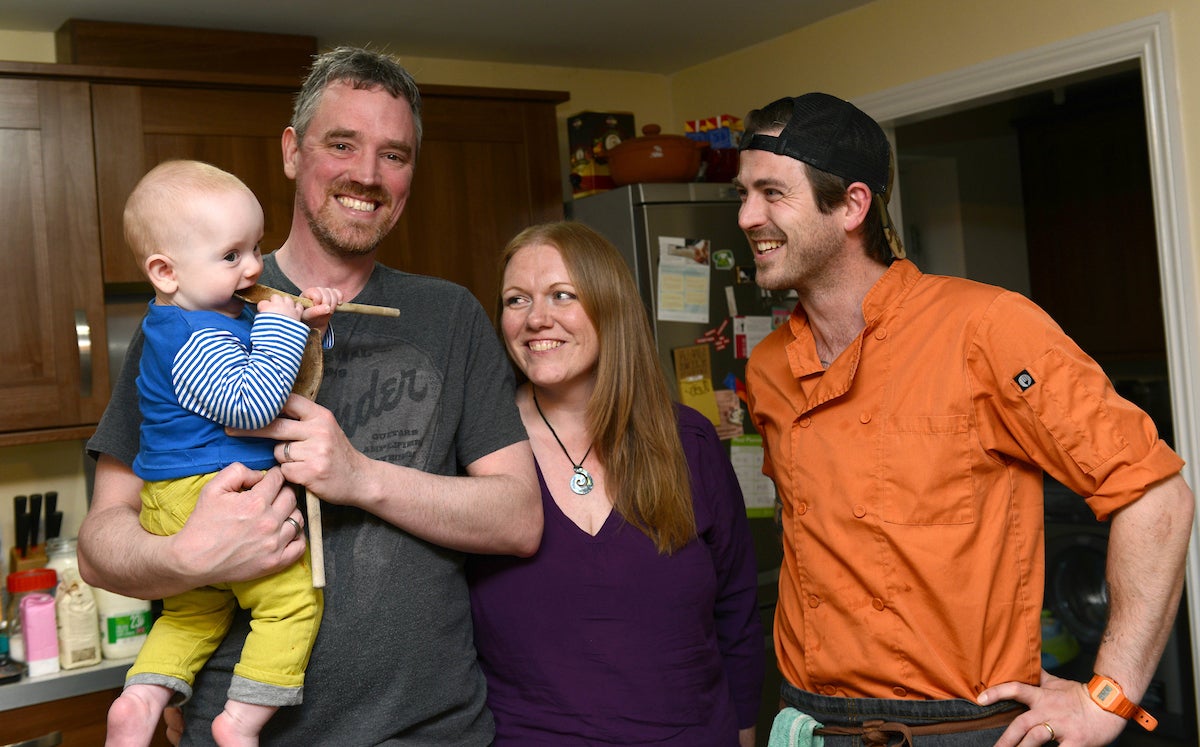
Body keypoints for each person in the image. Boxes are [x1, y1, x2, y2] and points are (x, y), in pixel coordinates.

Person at [78, 47, 541, 746]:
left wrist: (362, 477)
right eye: (343, 144)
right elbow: (100, 542)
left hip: (435, 731)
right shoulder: (190, 314)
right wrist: (184, 557)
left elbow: (518, 518)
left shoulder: (452, 316)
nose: (366, 174)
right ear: (293, 151)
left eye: (395, 154)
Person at [734, 92, 1193, 746]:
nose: (748, 215)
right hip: (809, 723)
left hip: (963, 729)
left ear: (851, 206)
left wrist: (1108, 696)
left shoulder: (987, 328)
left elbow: (1156, 496)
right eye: (743, 193)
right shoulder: (771, 367)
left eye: (772, 192)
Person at [468, 221, 764, 746]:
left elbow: (737, 614)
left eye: (563, 295)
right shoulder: (475, 451)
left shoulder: (688, 442)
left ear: (611, 306)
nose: (537, 319)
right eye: (517, 300)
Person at [105, 159, 342, 747]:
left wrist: (306, 323)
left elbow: (275, 362)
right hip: (210, 492)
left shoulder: (205, 316)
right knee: (290, 605)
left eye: (257, 247)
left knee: (192, 614)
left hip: (171, 500)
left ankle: (141, 698)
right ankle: (240, 720)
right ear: (164, 271)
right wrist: (282, 327)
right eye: (231, 256)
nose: (257, 267)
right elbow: (253, 403)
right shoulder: (192, 338)